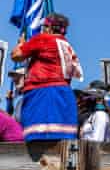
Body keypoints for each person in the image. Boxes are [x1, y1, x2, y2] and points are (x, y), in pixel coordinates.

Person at [10, 12, 82, 142]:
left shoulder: (43, 39)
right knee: (61, 142)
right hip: (64, 96)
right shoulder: (67, 45)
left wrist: (21, 44)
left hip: (44, 93)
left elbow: (16, 55)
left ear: (48, 27)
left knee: (38, 142)